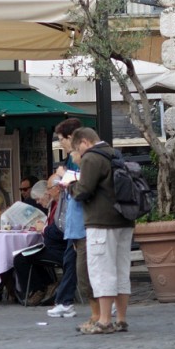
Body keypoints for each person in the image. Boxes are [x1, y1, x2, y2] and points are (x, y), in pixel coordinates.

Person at [65, 127, 134, 335]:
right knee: (121, 270)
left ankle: (104, 320)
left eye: (78, 148)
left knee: (102, 271)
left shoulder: (92, 158)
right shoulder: (114, 153)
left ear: (84, 142)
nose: (79, 153)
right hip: (124, 220)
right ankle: (121, 319)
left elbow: (83, 191)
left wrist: (70, 185)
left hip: (101, 222)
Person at [46, 117, 87, 320]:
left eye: (61, 138)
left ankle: (66, 302)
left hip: (81, 218)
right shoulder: (73, 156)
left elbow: (79, 185)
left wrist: (63, 175)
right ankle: (65, 301)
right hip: (74, 219)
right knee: (72, 260)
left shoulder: (78, 157)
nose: (59, 143)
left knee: (77, 261)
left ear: (71, 137)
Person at [11, 174, 66, 305]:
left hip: (60, 249)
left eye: (49, 188)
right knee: (26, 255)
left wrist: (44, 229)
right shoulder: (54, 206)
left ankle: (37, 290)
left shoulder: (60, 206)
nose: (37, 202)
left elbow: (60, 231)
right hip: (54, 246)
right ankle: (46, 285)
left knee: (21, 259)